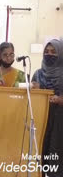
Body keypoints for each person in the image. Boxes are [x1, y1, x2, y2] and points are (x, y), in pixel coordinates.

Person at [31, 39, 63, 177]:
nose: (49, 55)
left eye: (53, 52)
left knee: (56, 151)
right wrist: (35, 90)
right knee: (41, 149)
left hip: (60, 121)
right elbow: (31, 98)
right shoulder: (38, 74)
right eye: (46, 52)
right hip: (41, 118)